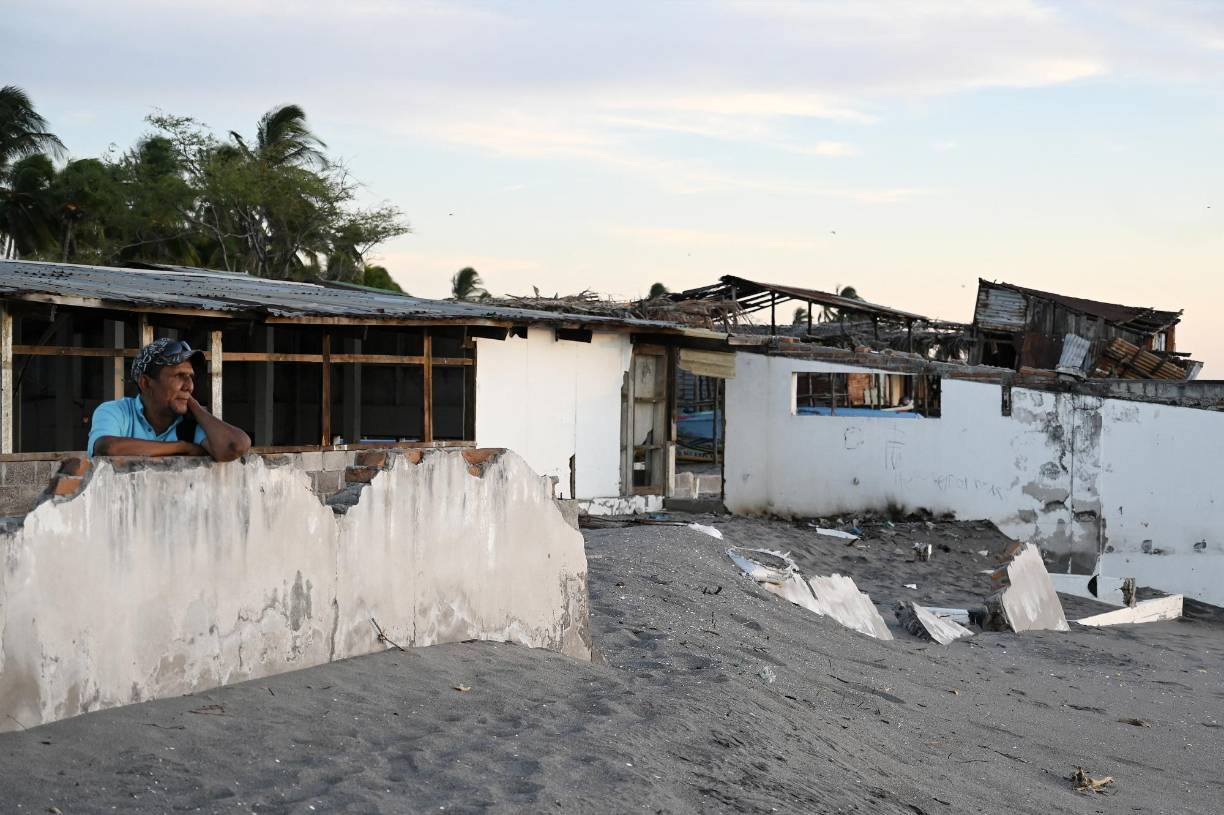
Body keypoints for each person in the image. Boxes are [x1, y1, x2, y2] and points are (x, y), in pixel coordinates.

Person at [87, 338, 252, 462]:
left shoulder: (191, 424)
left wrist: (196, 407)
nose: (189, 386)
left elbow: (236, 446)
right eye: (179, 376)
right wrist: (183, 447)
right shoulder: (115, 411)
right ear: (145, 383)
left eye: (190, 377)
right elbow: (108, 448)